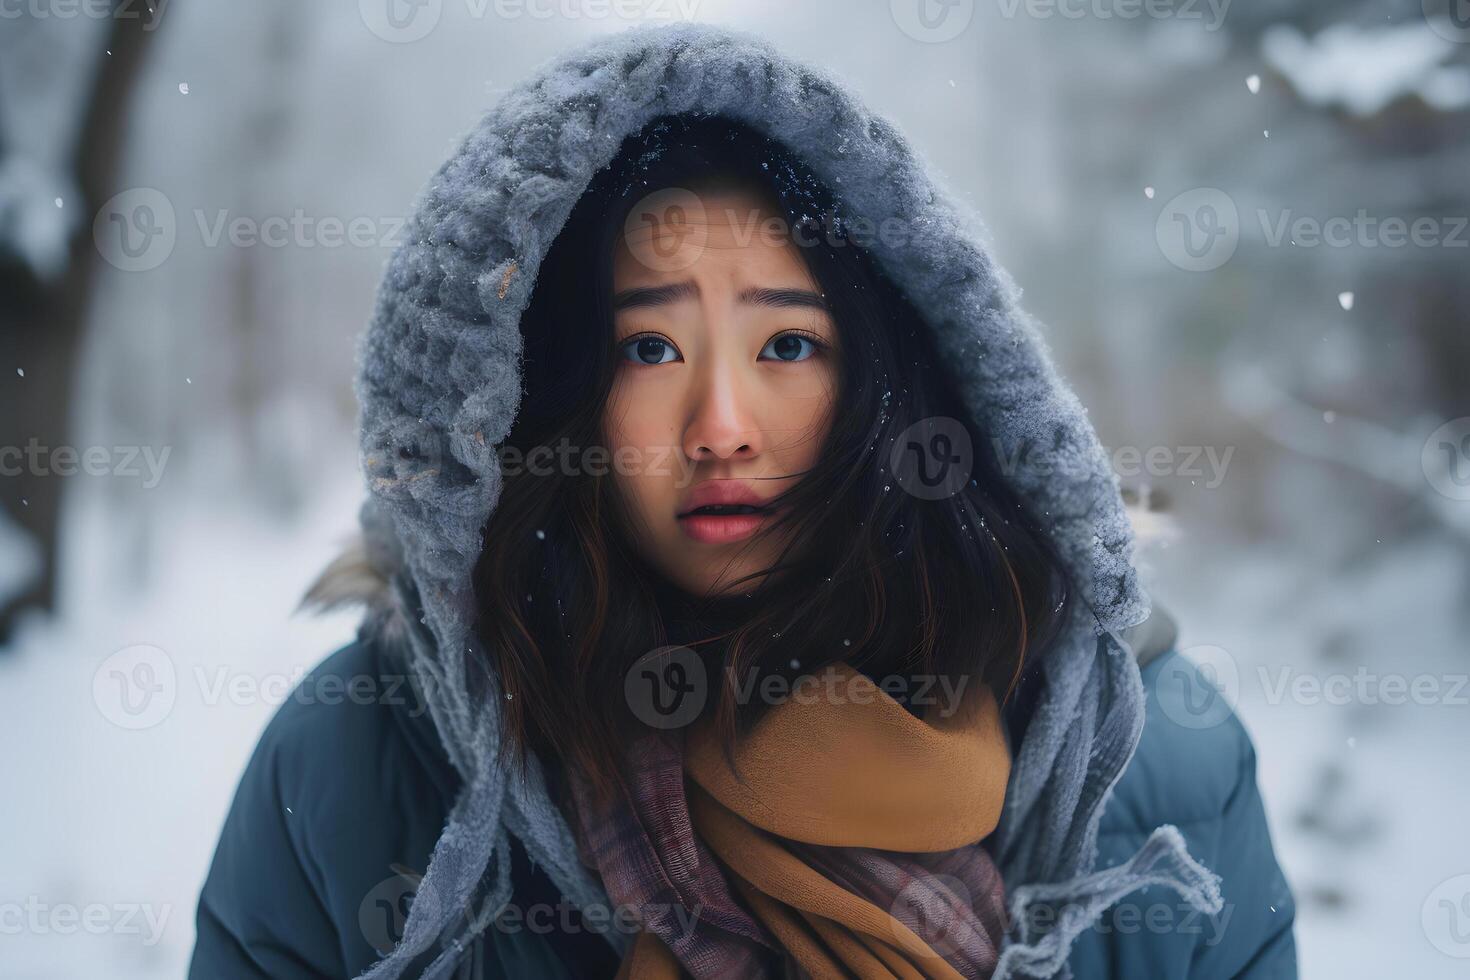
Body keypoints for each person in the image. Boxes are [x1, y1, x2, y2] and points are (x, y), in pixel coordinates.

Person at [188, 23, 1296, 980]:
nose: (722, 424)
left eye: (788, 343)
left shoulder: (1155, 765)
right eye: (652, 346)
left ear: (889, 377)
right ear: (542, 393)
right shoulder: (360, 761)